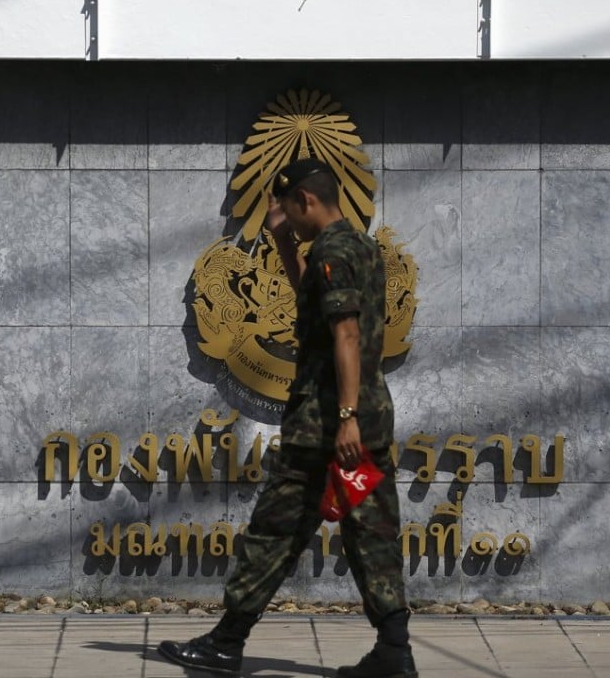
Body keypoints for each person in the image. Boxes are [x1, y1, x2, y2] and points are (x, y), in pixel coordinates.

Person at [158, 158, 416, 678]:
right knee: (372, 532)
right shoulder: (359, 247)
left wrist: (344, 417)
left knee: (275, 530)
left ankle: (226, 643)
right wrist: (280, 240)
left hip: (325, 429)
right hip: (367, 422)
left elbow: (345, 333)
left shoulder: (331, 252)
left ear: (306, 200)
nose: (287, 220)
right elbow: (313, 306)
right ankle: (394, 651)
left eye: (287, 210)